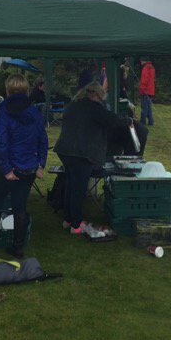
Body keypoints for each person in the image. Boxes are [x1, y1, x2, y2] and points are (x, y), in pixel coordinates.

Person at [0, 74, 48, 261]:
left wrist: (6, 170)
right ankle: (17, 249)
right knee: (20, 207)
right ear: (27, 90)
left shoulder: (3, 110)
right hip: (28, 168)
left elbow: (1, 142)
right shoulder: (34, 111)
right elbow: (43, 140)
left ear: (8, 91)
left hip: (4, 167)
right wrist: (41, 165)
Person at [54, 82, 134, 234]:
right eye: (101, 97)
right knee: (78, 189)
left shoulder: (73, 105)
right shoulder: (94, 108)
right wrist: (128, 121)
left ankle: (68, 219)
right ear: (96, 95)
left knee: (70, 185)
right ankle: (76, 225)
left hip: (65, 151)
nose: (102, 100)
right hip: (81, 153)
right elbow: (113, 120)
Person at [139, 57, 156, 126]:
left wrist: (141, 88)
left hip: (145, 90)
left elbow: (144, 80)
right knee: (148, 107)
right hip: (150, 90)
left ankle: (142, 122)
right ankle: (151, 122)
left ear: (143, 61)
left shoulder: (145, 68)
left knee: (144, 107)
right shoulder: (152, 68)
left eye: (141, 60)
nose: (140, 62)